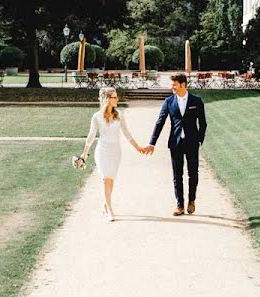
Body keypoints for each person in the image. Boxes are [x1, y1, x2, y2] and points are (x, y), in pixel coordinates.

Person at [144, 73, 207, 216]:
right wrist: (152, 143)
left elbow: (203, 123)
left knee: (193, 173)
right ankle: (179, 206)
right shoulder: (169, 101)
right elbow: (160, 122)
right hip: (175, 143)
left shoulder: (196, 101)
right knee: (177, 175)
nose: (171, 87)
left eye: (174, 84)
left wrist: (199, 140)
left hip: (192, 143)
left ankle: (191, 201)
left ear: (183, 84)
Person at [81, 87, 145, 222]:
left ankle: (105, 204)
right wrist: (84, 154)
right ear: (107, 99)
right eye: (114, 97)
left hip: (116, 151)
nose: (117, 99)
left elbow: (127, 133)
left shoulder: (119, 115)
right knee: (105, 179)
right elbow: (91, 136)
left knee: (111, 179)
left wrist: (137, 147)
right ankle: (109, 209)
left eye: (116, 97)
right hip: (102, 151)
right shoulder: (97, 117)